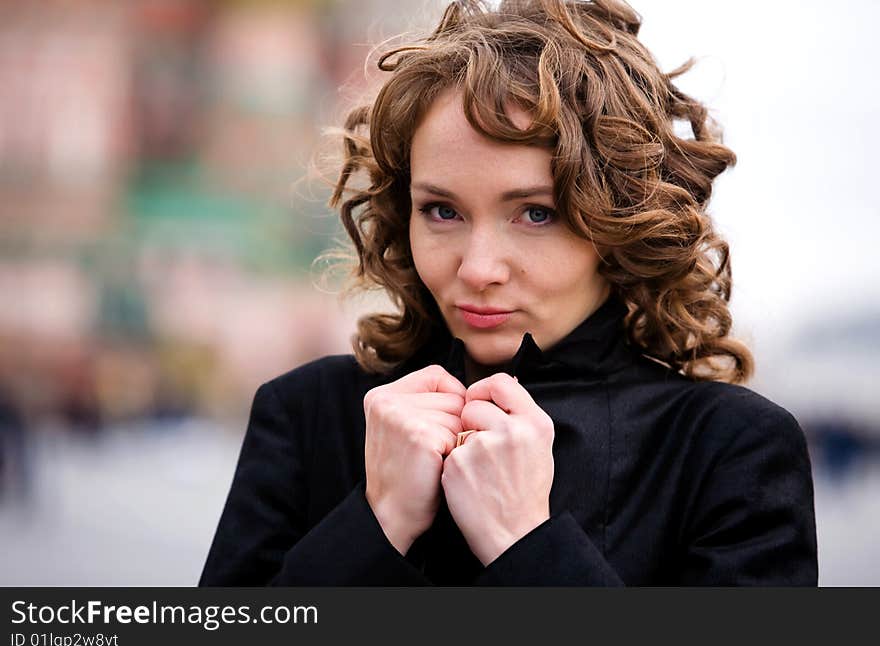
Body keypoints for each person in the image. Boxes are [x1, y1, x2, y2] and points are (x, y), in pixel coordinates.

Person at [199, 0, 818, 586]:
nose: (478, 268)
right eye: (441, 210)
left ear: (619, 222)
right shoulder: (309, 415)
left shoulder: (728, 451)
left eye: (535, 214)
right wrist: (377, 522)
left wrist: (525, 544)